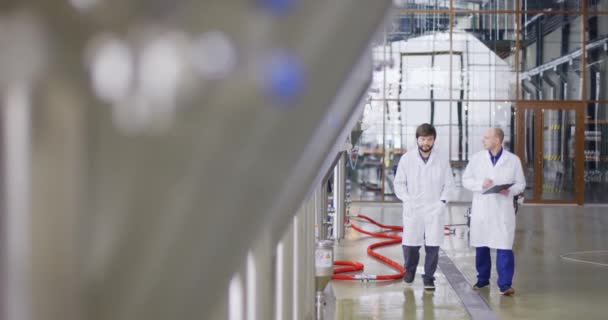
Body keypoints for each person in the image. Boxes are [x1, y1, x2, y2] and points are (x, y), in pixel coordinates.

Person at [462, 128, 526, 296]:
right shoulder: (477, 159)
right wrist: (480, 184)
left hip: (502, 209)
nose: (483, 140)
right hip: (482, 209)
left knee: (504, 246)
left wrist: (510, 190)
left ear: (497, 140)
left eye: (487, 138)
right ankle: (482, 280)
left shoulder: (513, 160)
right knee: (482, 246)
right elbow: (465, 180)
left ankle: (505, 285)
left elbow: (521, 184)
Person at [394, 123, 454, 291]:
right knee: (411, 245)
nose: (426, 143)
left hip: (434, 208)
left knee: (433, 246)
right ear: (417, 140)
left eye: (429, 139)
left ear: (434, 140)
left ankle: (429, 277)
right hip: (414, 208)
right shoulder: (407, 159)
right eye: (423, 139)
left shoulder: (442, 159)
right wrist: (407, 199)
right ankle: (410, 271)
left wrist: (442, 202)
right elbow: (399, 184)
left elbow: (449, 185)